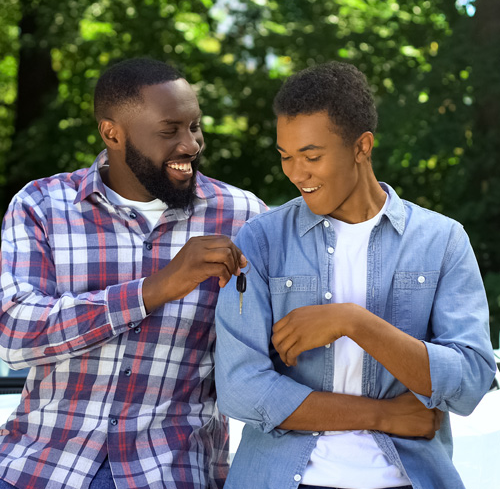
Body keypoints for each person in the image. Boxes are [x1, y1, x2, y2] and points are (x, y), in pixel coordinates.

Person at [215, 61, 496, 489]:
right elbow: (239, 389)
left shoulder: (442, 241)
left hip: (407, 478)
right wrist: (380, 414)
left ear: (362, 147)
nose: (296, 173)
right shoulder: (261, 241)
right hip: (281, 479)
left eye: (312, 156)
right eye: (286, 157)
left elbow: (470, 381)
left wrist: (353, 321)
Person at [0, 57, 266, 489]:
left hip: (169, 472)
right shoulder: (42, 205)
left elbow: (272, 341)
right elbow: (14, 334)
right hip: (37, 467)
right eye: (170, 131)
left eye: (195, 126)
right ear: (113, 133)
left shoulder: (244, 216)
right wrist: (154, 289)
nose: (191, 144)